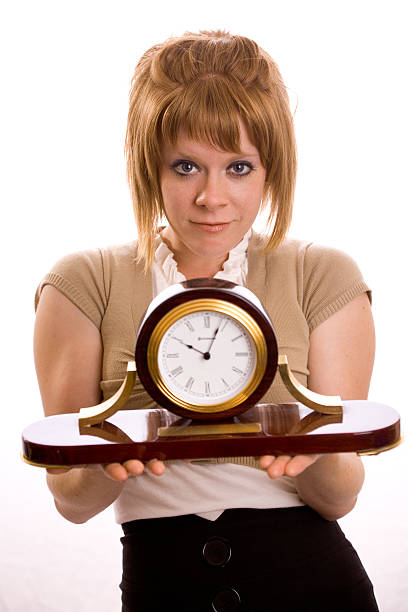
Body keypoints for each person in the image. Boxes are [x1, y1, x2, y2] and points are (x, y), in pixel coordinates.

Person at [34, 30, 378, 611]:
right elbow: (71, 501)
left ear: (272, 168)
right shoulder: (82, 283)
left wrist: (310, 446)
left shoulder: (323, 275)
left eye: (239, 167)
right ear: (151, 166)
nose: (212, 198)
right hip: (162, 585)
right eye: (187, 166)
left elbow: (339, 498)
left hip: (313, 583)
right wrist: (117, 456)